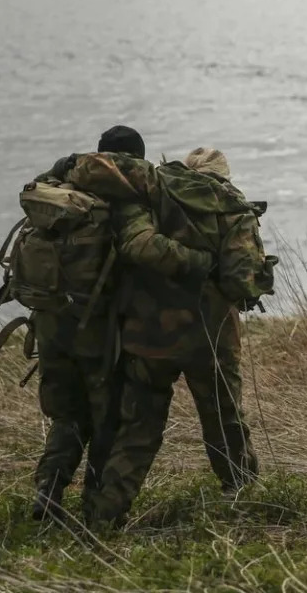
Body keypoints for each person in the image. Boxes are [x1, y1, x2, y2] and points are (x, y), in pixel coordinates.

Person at [74, 147, 269, 526]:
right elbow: (239, 281)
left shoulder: (156, 191)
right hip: (210, 339)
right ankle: (242, 494)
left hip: (149, 335)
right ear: (222, 176)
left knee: (139, 429)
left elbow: (132, 242)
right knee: (224, 419)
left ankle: (106, 513)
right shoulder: (233, 209)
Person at [29, 126, 213, 521]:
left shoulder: (61, 183)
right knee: (106, 416)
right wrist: (201, 264)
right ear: (136, 158)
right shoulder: (127, 195)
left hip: (49, 321)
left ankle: (48, 488)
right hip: (95, 327)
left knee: (67, 414)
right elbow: (142, 246)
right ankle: (99, 508)